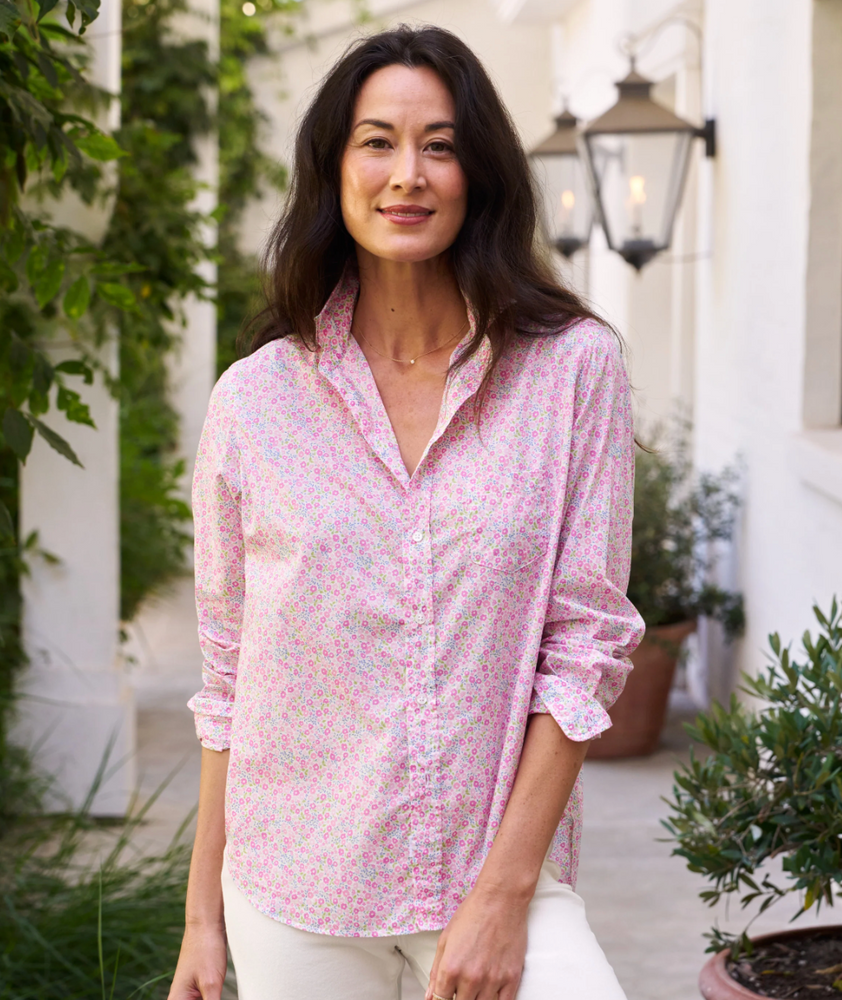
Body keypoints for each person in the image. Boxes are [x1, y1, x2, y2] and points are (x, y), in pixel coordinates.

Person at [168, 24, 644, 1000]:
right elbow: (228, 674)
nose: (406, 174)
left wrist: (504, 896)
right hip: (291, 886)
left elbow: (584, 644)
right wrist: (201, 921)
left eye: (438, 144)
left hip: (485, 863)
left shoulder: (569, 370)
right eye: (376, 141)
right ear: (333, 168)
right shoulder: (254, 401)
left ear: (478, 171)